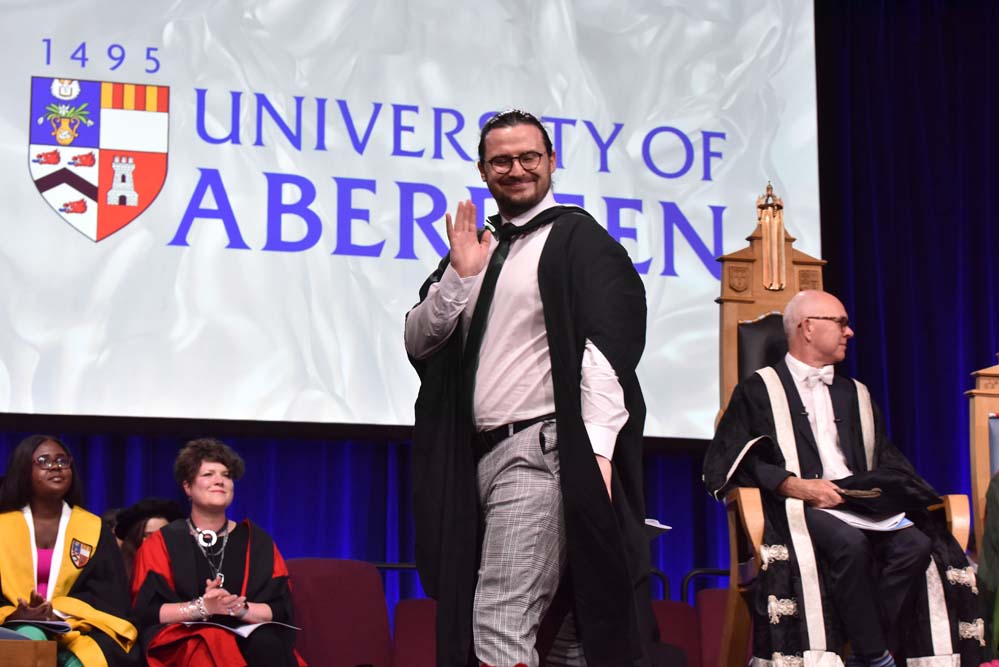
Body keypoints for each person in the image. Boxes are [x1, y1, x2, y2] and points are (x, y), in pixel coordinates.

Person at [405, 109, 661, 667]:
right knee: (563, 632)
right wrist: (459, 276)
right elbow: (419, 342)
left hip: (541, 451)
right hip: (472, 458)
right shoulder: (474, 248)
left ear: (551, 162)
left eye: (529, 157)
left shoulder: (581, 242)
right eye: (501, 161)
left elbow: (606, 354)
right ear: (482, 170)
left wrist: (596, 456)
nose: (516, 169)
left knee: (500, 617)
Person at [703, 290, 981, 666]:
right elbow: (732, 458)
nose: (850, 332)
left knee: (915, 545)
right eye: (841, 323)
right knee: (850, 544)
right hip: (798, 504)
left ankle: (866, 650)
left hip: (854, 501)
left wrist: (894, 492)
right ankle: (874, 655)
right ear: (808, 328)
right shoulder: (757, 390)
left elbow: (883, 456)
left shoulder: (856, 393)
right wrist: (792, 484)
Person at [131, 438, 304, 667]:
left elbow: (280, 609)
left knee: (267, 644)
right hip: (184, 641)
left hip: (250, 637)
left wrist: (238, 609)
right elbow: (147, 611)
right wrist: (203, 607)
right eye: (208, 474)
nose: (219, 481)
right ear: (187, 487)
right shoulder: (162, 542)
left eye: (226, 475)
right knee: (210, 643)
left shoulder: (258, 542)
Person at [0, 434, 138, 667]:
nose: (55, 466)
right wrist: (14, 615)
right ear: (24, 469)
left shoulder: (93, 529)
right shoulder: (3, 527)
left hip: (77, 627)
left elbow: (109, 597)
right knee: (30, 637)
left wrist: (59, 612)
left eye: (62, 461)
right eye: (44, 461)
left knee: (88, 658)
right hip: (12, 625)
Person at [115, 497, 185, 582]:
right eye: (150, 535)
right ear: (135, 538)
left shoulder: (184, 569)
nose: (158, 540)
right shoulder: (118, 575)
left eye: (164, 535)